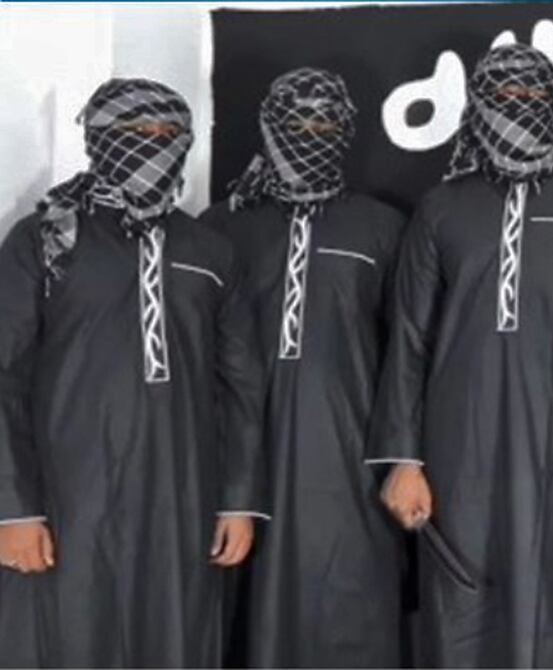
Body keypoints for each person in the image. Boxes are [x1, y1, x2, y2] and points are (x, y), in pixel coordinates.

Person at [0, 78, 267, 667]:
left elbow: (242, 388)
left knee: (174, 634)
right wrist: (14, 508)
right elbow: (4, 375)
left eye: (168, 132)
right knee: (67, 635)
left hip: (181, 492)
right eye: (135, 131)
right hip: (68, 492)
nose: (154, 143)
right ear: (98, 137)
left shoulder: (210, 251)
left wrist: (238, 501)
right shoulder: (46, 241)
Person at [369, 43, 553, 667]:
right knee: (464, 609)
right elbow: (410, 336)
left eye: (532, 95)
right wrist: (403, 459)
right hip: (460, 450)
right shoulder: (442, 207)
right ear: (477, 104)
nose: (518, 107)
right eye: (504, 96)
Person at [203, 66, 406, 667]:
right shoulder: (222, 227)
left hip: (349, 451)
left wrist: (402, 456)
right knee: (237, 604)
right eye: (297, 122)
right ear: (268, 125)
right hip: (239, 455)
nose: (310, 134)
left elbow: (405, 351)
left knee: (352, 596)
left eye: (325, 123)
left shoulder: (382, 227)